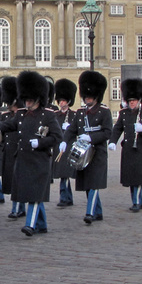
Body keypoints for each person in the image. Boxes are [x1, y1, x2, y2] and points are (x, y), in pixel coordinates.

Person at [0, 71, 62, 236]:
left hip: (39, 161)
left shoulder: (48, 115)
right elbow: (8, 125)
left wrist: (40, 142)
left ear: (38, 99)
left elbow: (57, 137)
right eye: (26, 100)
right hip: (24, 159)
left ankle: (30, 225)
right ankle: (42, 224)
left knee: (34, 195)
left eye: (30, 100)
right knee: (32, 194)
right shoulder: (21, 114)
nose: (28, 102)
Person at [64, 71, 112, 225]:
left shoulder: (104, 112)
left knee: (93, 184)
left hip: (97, 153)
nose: (88, 99)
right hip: (83, 155)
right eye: (86, 97)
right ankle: (97, 211)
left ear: (96, 97)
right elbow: (72, 130)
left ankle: (89, 213)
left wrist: (91, 137)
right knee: (87, 185)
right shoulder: (80, 113)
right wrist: (64, 141)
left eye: (90, 97)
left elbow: (107, 132)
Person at [109, 78, 142, 211]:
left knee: (138, 178)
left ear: (139, 100)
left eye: (134, 101)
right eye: (130, 101)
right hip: (129, 149)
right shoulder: (123, 113)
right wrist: (112, 141)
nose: (131, 103)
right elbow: (118, 128)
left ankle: (136, 202)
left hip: (141, 148)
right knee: (131, 179)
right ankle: (137, 201)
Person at [0, 76, 24, 219]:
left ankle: (18, 208)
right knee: (11, 182)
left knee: (18, 182)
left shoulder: (23, 115)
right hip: (9, 152)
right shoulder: (7, 115)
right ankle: (16, 207)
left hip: (19, 151)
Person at [52, 78, 78, 207]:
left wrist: (70, 126)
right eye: (60, 101)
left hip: (68, 147)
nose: (61, 103)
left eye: (63, 101)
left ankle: (65, 197)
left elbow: (78, 130)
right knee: (62, 174)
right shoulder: (55, 115)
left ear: (68, 101)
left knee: (65, 174)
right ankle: (66, 197)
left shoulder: (73, 115)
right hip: (58, 147)